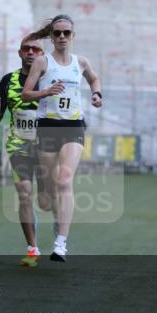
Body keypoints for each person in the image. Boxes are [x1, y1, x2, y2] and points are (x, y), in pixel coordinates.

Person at [22, 15, 102, 262]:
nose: (62, 37)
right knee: (47, 196)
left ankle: (61, 243)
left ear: (73, 36)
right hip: (47, 127)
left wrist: (96, 94)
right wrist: (46, 91)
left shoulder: (81, 62)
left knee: (65, 179)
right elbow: (26, 95)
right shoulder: (42, 63)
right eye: (57, 33)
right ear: (52, 36)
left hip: (73, 126)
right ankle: (58, 219)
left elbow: (93, 78)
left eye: (66, 33)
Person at [0, 34, 52, 267]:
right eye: (26, 49)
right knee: (24, 194)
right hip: (19, 146)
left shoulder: (51, 79)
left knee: (45, 201)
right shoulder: (8, 80)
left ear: (43, 54)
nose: (31, 53)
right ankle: (32, 249)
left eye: (36, 49)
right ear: (20, 53)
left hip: (48, 147)